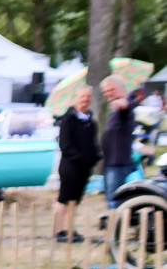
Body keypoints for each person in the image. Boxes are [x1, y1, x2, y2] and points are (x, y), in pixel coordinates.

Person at [55, 85, 98, 241]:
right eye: (82, 97)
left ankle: (70, 229)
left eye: (88, 97)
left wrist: (94, 158)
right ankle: (58, 230)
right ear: (76, 99)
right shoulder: (68, 120)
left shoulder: (90, 122)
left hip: (84, 168)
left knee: (75, 200)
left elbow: (92, 144)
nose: (85, 100)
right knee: (64, 199)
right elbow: (65, 145)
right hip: (70, 166)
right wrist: (82, 158)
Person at [100, 75, 138, 209]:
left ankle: (116, 228)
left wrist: (122, 103)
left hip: (118, 164)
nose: (108, 93)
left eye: (112, 90)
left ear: (122, 89)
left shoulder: (125, 107)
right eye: (106, 91)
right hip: (111, 162)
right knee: (112, 199)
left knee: (114, 201)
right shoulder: (114, 111)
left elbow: (126, 106)